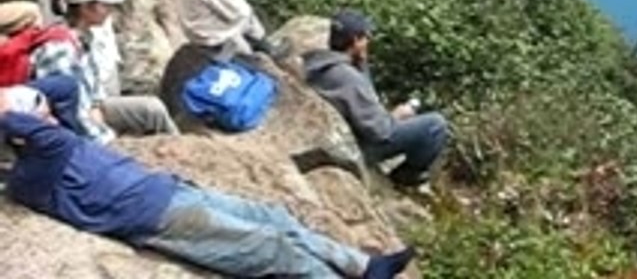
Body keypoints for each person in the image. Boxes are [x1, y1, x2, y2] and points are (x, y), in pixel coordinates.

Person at [0, 80, 416, 279]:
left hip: (171, 191)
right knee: (271, 249)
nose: (52, 117)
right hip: (156, 217)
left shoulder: (54, 140)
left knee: (275, 218)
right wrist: (7, 112)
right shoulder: (35, 170)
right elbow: (42, 131)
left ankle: (364, 266)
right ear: (20, 133)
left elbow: (65, 89)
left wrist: (25, 95)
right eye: (40, 116)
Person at [303, 10, 448, 187]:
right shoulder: (349, 77)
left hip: (335, 137)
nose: (368, 41)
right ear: (356, 41)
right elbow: (380, 131)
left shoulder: (318, 63)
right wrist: (397, 116)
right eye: (365, 37)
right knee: (435, 125)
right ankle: (405, 177)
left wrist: (361, 62)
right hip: (354, 147)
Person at [33, 0, 179, 143]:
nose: (110, 10)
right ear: (86, 8)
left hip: (92, 108)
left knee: (152, 108)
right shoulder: (60, 49)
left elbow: (91, 91)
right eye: (105, 5)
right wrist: (107, 139)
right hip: (75, 125)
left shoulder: (84, 37)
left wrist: (96, 106)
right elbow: (70, 110)